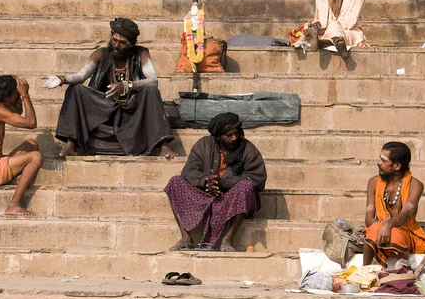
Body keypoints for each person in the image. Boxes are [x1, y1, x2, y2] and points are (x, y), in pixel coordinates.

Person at [43, 17, 175, 158]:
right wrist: (62, 79)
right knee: (75, 90)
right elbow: (81, 76)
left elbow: (153, 80)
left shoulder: (141, 54)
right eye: (114, 40)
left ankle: (163, 145)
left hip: (132, 111)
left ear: (132, 44)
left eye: (122, 42)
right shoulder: (101, 53)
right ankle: (71, 143)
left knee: (151, 91)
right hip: (104, 109)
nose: (117, 45)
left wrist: (127, 85)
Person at [164, 112, 267, 252]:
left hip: (231, 199)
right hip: (204, 197)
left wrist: (224, 183)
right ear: (218, 137)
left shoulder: (247, 149)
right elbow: (188, 173)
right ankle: (186, 238)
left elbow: (257, 179)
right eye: (228, 135)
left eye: (236, 133)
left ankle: (227, 239)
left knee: (245, 186)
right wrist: (206, 181)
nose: (234, 138)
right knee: (175, 182)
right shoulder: (203, 145)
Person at [0, 75, 43, 216]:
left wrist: (18, 95)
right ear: (6, 96)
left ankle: (12, 178)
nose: (18, 95)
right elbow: (31, 123)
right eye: (15, 93)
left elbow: (18, 111)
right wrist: (25, 95)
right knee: (35, 157)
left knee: (31, 144)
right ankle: (14, 204)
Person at [363, 142, 425, 267]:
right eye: (380, 158)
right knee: (373, 230)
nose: (378, 162)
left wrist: (389, 225)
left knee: (395, 234)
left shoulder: (415, 185)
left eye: (384, 160)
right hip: (378, 230)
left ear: (397, 166)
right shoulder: (373, 183)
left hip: (406, 233)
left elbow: (406, 214)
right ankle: (363, 271)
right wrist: (382, 227)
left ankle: (404, 273)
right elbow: (368, 218)